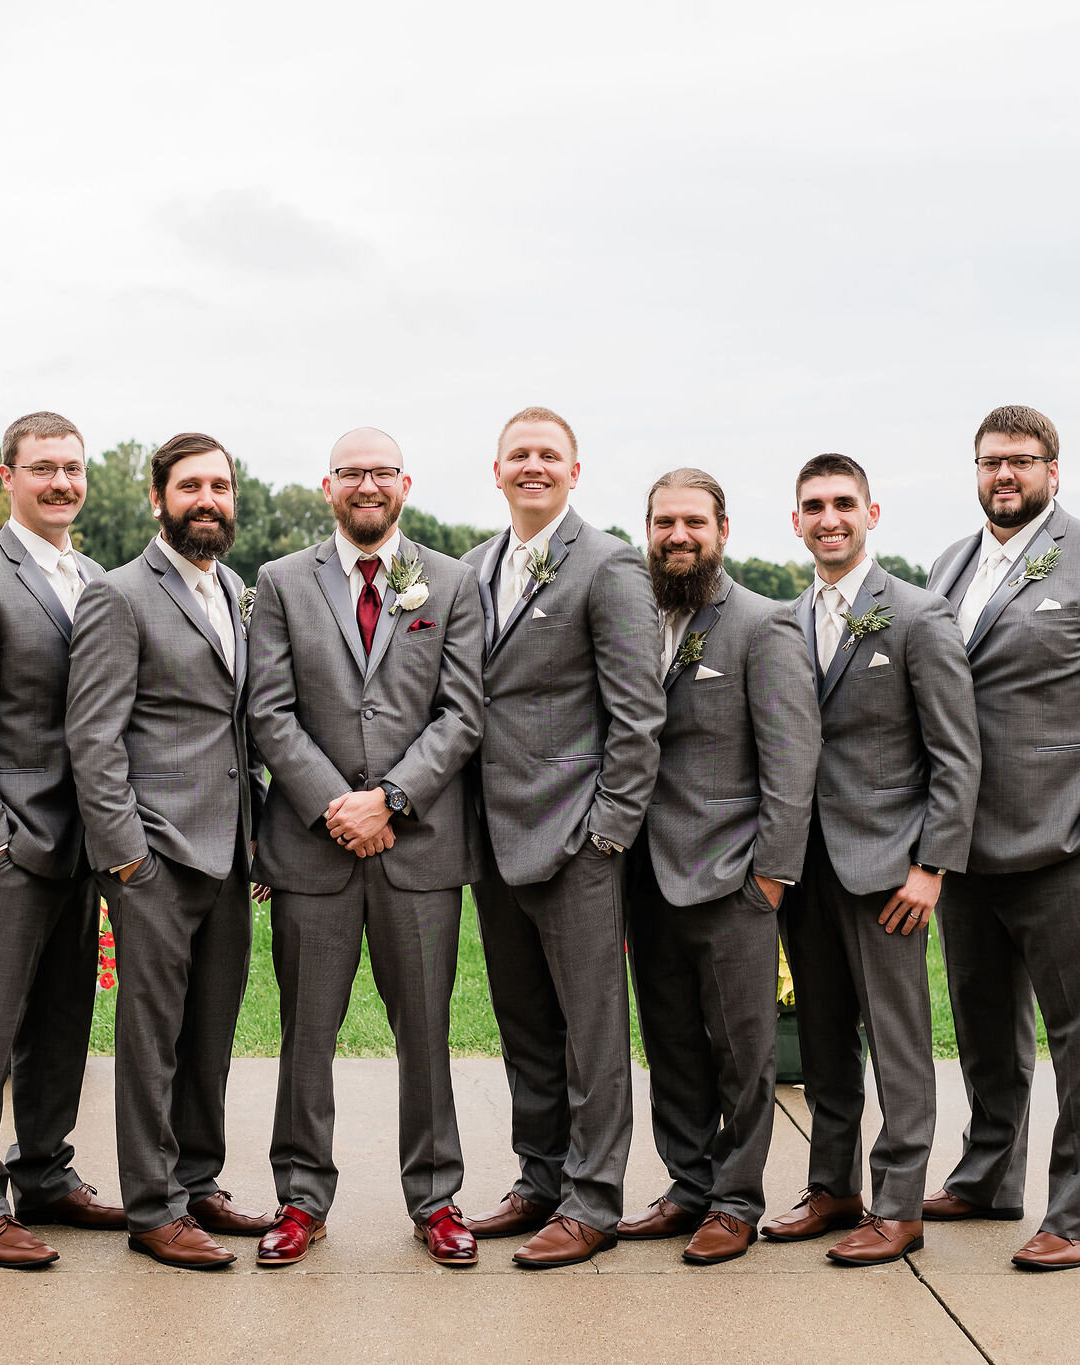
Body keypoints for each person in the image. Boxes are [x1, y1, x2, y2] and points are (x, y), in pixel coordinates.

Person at [922, 405, 1080, 1271]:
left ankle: (1079, 1212)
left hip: (1070, 846)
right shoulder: (948, 565)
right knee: (986, 1027)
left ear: (1053, 470)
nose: (1005, 475)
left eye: (1021, 461)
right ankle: (990, 1176)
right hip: (966, 848)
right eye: (991, 460)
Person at [245, 427, 486, 1268]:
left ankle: (437, 1197)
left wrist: (390, 800)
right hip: (312, 853)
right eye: (353, 472)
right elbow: (268, 709)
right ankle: (300, 1198)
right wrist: (333, 808)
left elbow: (462, 713)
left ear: (405, 483)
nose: (368, 484)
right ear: (327, 486)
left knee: (425, 1032)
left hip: (419, 851)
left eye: (382, 471)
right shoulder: (278, 582)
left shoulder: (450, 582)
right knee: (306, 1034)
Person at [762, 453, 980, 1266]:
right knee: (821, 1042)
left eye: (843, 503)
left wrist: (932, 867)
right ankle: (832, 1187)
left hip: (890, 869)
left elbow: (957, 754)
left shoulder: (919, 617)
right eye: (813, 504)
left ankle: (897, 1204)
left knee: (897, 1042)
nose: (829, 517)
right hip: (805, 867)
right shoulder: (783, 621)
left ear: (872, 513)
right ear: (795, 521)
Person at [461, 406, 666, 1269]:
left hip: (578, 839)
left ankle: (593, 1198)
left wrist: (608, 833)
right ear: (497, 470)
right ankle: (540, 1176)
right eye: (520, 455)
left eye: (550, 455)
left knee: (592, 1030)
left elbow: (637, 713)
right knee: (525, 1024)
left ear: (574, 472)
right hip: (491, 842)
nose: (533, 466)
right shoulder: (472, 568)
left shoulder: (611, 564)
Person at [65, 432, 276, 1270]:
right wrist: (125, 860)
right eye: (190, 486)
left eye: (220, 486)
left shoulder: (233, 587)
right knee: (151, 1039)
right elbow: (94, 735)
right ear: (158, 498)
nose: (208, 499)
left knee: (210, 1034)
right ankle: (153, 1207)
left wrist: (257, 841)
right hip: (153, 855)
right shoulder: (120, 595)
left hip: (228, 857)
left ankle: (198, 1181)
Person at [0, 411, 125, 1269]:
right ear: (6, 475)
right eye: (42, 467)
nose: (61, 483)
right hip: (11, 846)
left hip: (85, 845)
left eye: (72, 468)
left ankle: (43, 1171)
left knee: (63, 1023)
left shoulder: (96, 577)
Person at [615, 468, 818, 1266]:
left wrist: (769, 877)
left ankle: (737, 1200)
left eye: (693, 521)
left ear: (723, 530)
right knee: (669, 1044)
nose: (677, 535)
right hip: (647, 879)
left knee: (743, 1052)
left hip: (734, 878)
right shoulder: (635, 621)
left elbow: (792, 763)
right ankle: (686, 1185)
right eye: (664, 521)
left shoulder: (763, 627)